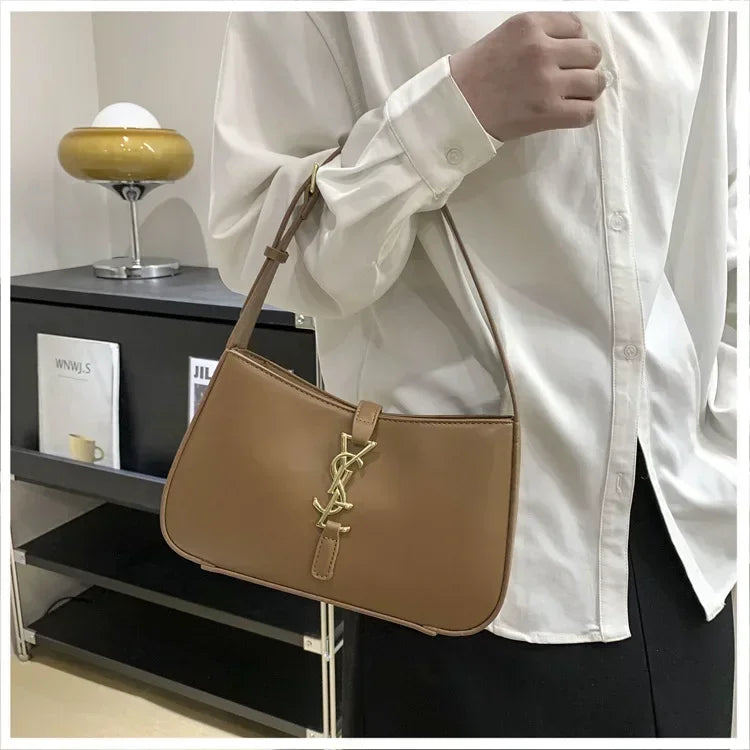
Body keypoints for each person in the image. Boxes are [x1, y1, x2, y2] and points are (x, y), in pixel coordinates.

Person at [208, 10, 737, 737]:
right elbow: (256, 240)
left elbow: (723, 208)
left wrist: (727, 439)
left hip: (679, 532)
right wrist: (449, 115)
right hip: (439, 550)